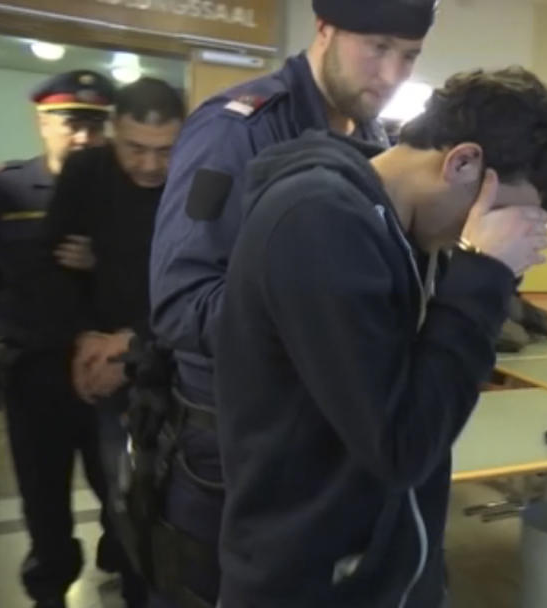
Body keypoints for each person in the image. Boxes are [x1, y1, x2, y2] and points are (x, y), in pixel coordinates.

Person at [214, 65, 547, 607]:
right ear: (462, 162)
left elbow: (419, 405)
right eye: (498, 217)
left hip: (384, 572)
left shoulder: (395, 228)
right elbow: (400, 446)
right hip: (311, 584)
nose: (482, 236)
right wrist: (484, 275)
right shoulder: (318, 220)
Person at [148, 1, 436, 605]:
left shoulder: (375, 144)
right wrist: (312, 321)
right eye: (377, 47)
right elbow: (179, 301)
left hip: (330, 446)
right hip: (229, 451)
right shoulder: (238, 129)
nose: (391, 75)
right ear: (324, 29)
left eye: (408, 56)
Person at [0, 70, 119, 608]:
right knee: (43, 494)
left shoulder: (118, 191)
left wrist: (100, 262)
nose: (83, 136)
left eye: (94, 125)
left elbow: (144, 277)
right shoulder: (7, 190)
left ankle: (123, 562)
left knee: (118, 487)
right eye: (71, 123)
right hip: (33, 370)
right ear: (43, 122)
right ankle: (50, 587)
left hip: (104, 372)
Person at [40, 77, 186, 608]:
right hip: (104, 360)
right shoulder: (87, 172)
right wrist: (83, 338)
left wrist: (134, 338)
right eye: (135, 149)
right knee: (123, 499)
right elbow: (54, 259)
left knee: (180, 503)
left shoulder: (199, 180)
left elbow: (201, 284)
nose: (150, 166)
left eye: (164, 150)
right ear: (113, 134)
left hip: (177, 365)